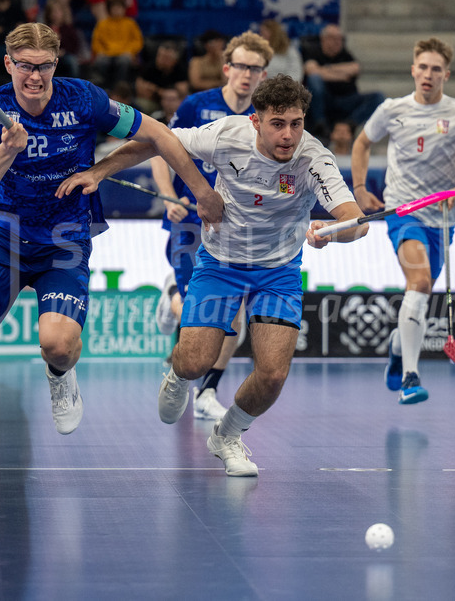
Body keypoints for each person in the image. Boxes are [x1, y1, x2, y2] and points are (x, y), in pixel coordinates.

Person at [0, 22, 224, 480]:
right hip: (1, 237)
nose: (35, 76)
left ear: (56, 64)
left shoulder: (84, 99)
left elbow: (159, 135)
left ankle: (60, 374)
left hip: (64, 239)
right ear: (8, 64)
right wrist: (7, 151)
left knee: (59, 346)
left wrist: (195, 191)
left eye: (44, 66)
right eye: (25, 66)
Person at [58, 74, 369, 477]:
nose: (288, 135)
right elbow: (157, 141)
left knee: (273, 374)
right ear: (256, 121)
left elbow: (356, 222)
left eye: (296, 123)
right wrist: (99, 172)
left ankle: (228, 435)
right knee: (194, 362)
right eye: (277, 123)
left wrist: (333, 232)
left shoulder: (314, 158)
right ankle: (177, 377)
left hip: (279, 271)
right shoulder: (226, 135)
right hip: (221, 263)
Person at [350, 37, 455, 404]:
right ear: (413, 70)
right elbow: (362, 143)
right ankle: (411, 378)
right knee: (421, 281)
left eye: (436, 69)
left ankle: (398, 349)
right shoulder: (391, 110)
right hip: (403, 212)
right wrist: (360, 188)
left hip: (443, 218)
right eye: (423, 67)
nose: (428, 74)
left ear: (447, 75)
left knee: (419, 294)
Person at [149, 31, 273, 422]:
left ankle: (207, 391)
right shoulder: (196, 106)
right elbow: (159, 148)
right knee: (198, 310)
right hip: (190, 222)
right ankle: (173, 295)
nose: (247, 74)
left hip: (238, 230)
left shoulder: (266, 117)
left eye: (255, 68)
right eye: (241, 66)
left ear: (264, 74)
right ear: (226, 68)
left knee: (233, 316)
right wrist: (169, 196)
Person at [303, 23, 383, 135]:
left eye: (340, 39)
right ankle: (319, 123)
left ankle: (349, 125)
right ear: (324, 39)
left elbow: (355, 68)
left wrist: (325, 69)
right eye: (333, 38)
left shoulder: (345, 54)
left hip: (347, 99)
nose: (338, 42)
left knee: (378, 97)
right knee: (314, 79)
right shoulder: (313, 51)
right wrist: (341, 75)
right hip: (326, 100)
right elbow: (311, 71)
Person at [89, 0, 142, 90]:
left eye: (119, 8)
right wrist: (100, 51)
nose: (117, 10)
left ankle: (120, 87)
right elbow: (96, 41)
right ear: (109, 10)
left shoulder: (130, 23)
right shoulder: (102, 24)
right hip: (106, 53)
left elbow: (137, 41)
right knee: (101, 61)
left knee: (124, 61)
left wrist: (130, 51)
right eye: (114, 8)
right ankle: (103, 87)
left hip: (125, 53)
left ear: (124, 9)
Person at [134, 41, 188, 115]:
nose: (161, 60)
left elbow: (182, 92)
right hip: (154, 101)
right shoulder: (150, 67)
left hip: (173, 102)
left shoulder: (180, 69)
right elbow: (140, 90)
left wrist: (156, 90)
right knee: (141, 103)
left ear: (175, 60)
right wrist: (162, 94)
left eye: (166, 58)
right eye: (159, 55)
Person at [259, 19, 303, 84]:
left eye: (264, 34)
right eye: (261, 33)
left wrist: (280, 87)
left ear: (274, 35)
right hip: (261, 87)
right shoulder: (258, 52)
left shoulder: (290, 52)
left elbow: (296, 75)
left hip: (285, 87)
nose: (261, 36)